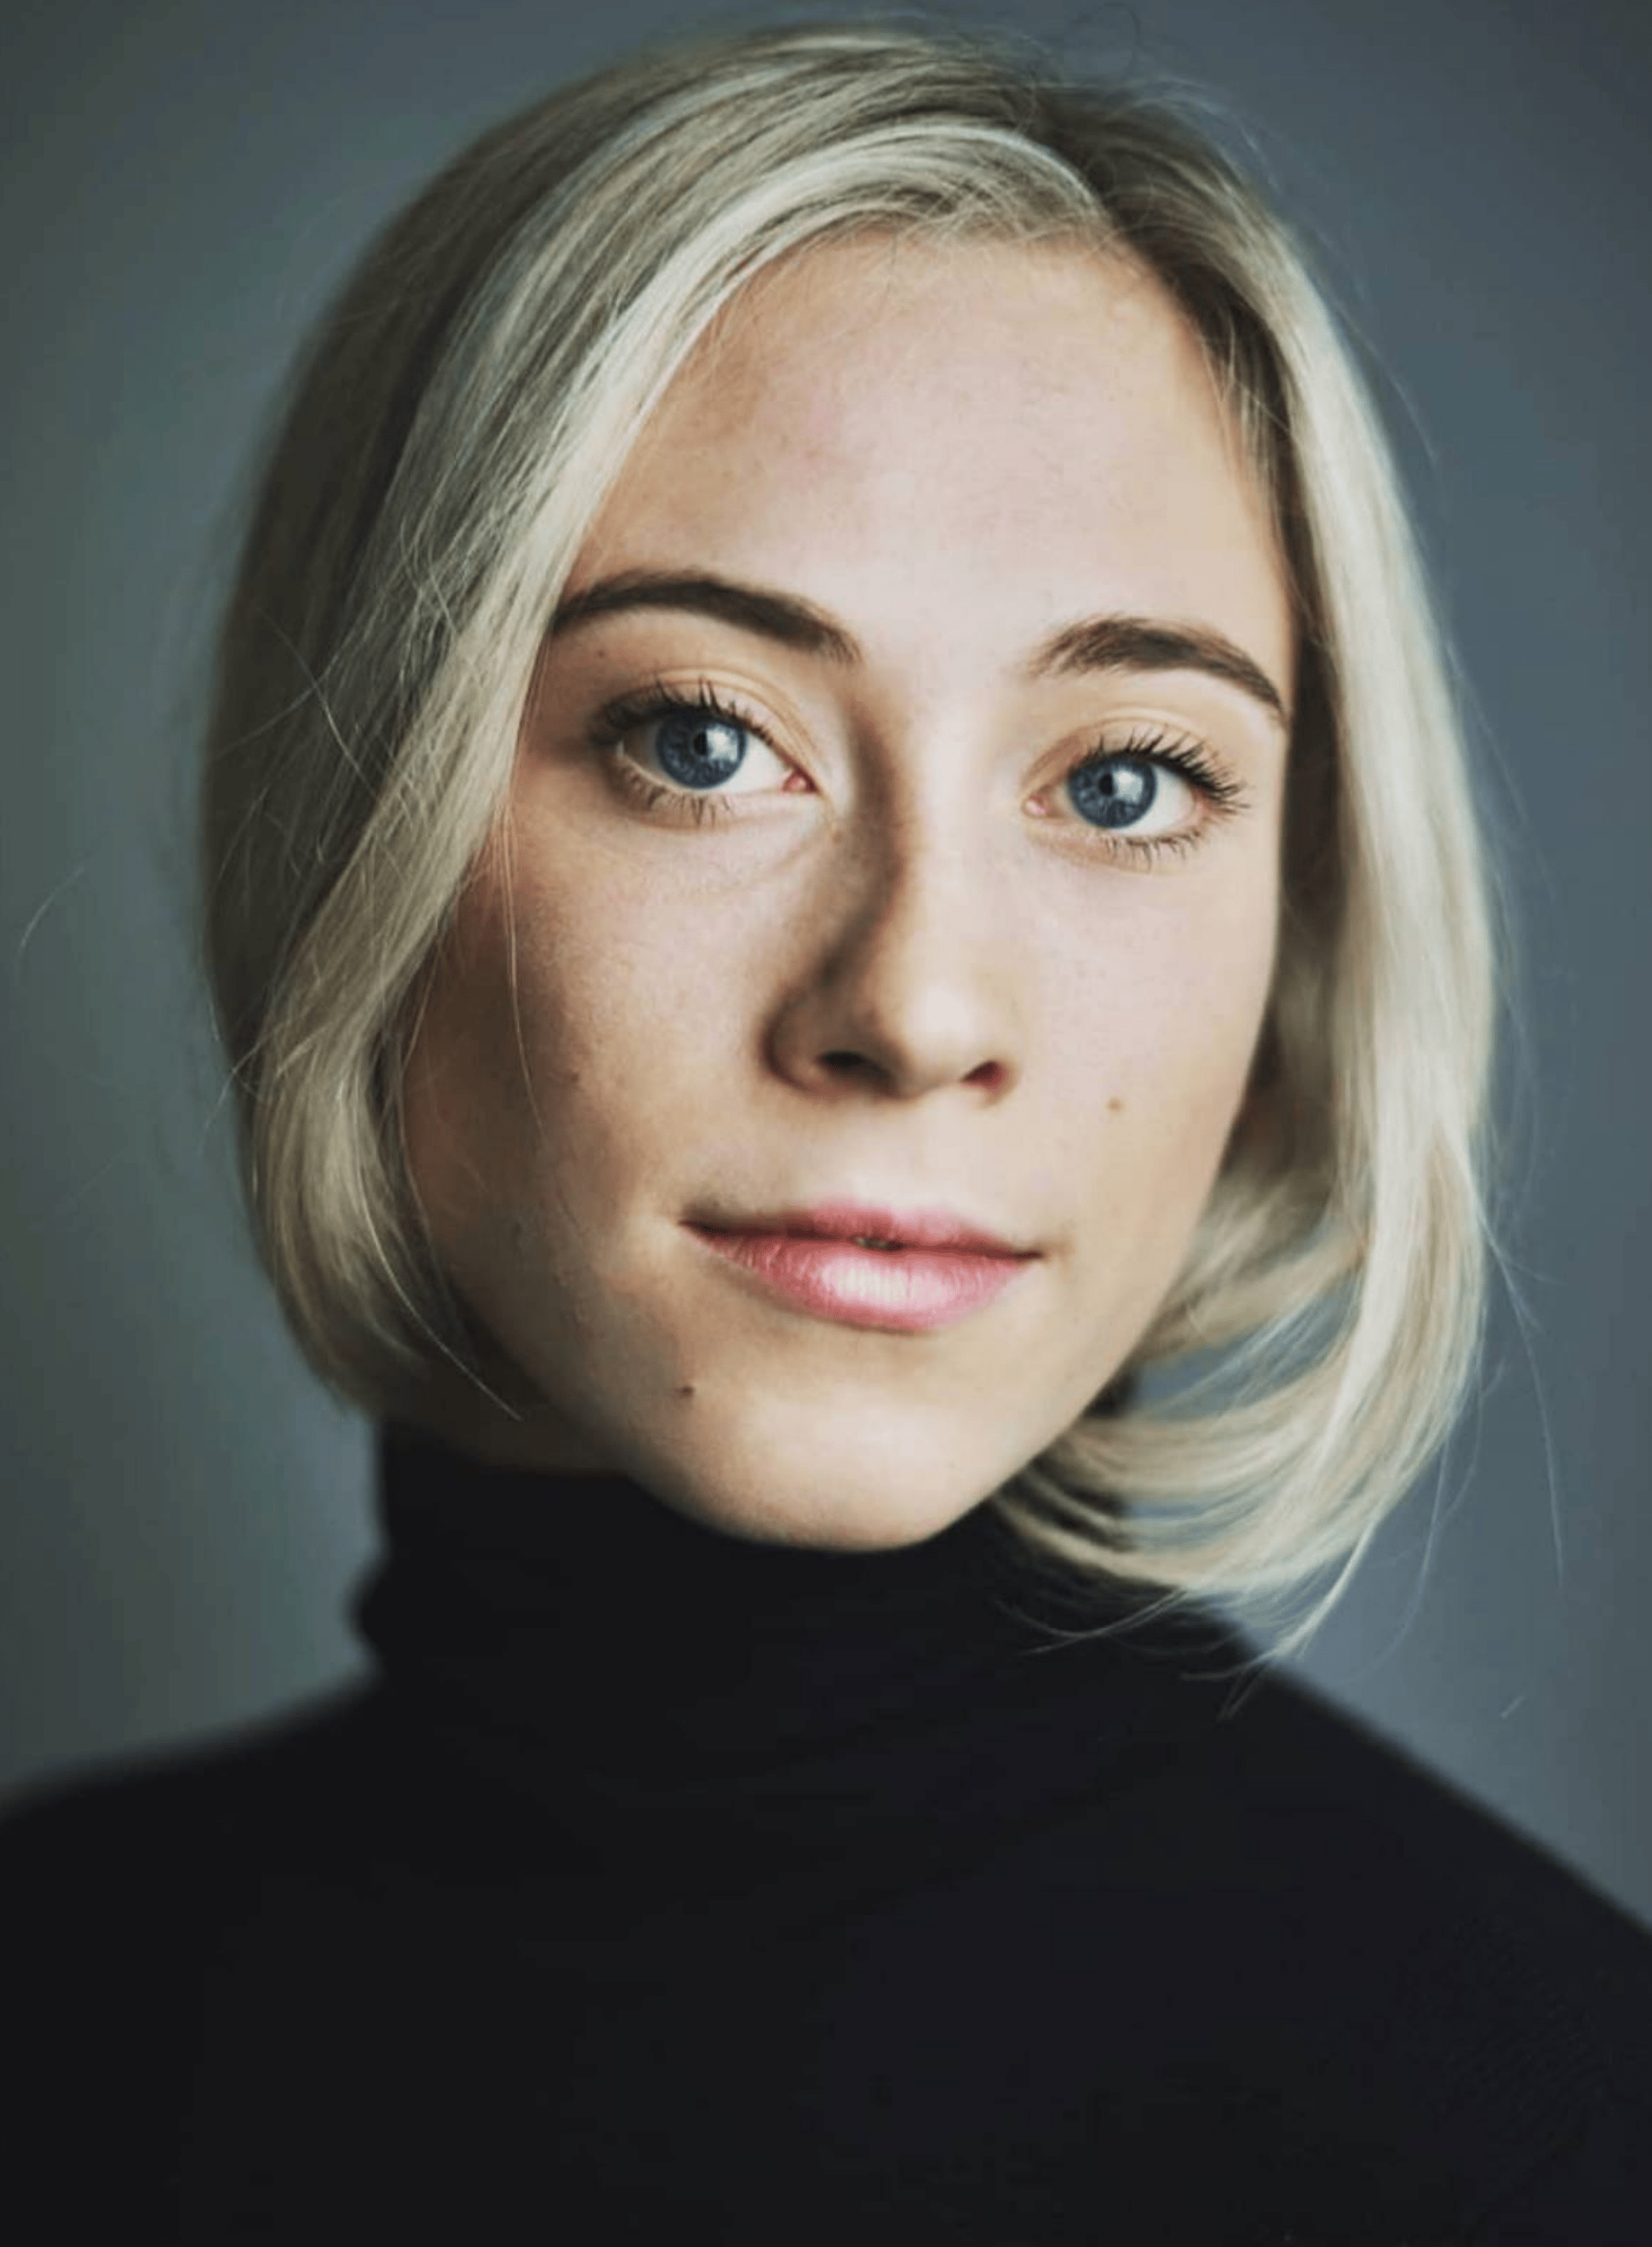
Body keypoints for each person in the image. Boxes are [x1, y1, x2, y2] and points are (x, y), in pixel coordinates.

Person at [4, 18, 1648, 2242]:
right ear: (350, 848)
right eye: (699, 738)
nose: (914, 1004)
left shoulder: (1543, 2129)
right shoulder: (63, 1998)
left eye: (1126, 782)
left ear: (1296, 952)